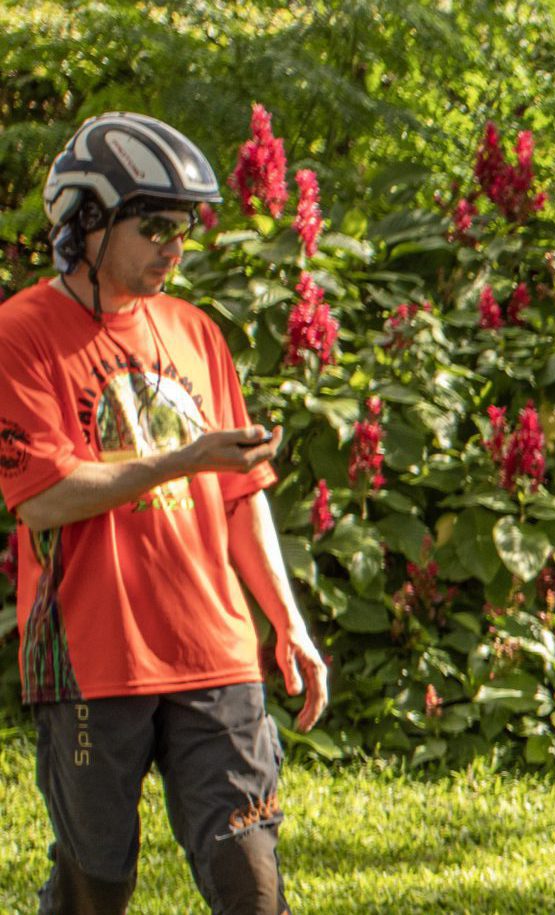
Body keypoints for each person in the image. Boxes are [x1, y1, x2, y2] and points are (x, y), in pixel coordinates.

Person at [0, 111, 329, 914]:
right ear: (86, 221)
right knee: (95, 891)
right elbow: (44, 494)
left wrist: (287, 621)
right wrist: (184, 459)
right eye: (153, 226)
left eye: (182, 229)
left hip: (215, 654)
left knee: (252, 884)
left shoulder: (195, 331)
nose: (172, 248)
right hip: (90, 659)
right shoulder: (21, 334)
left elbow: (240, 494)